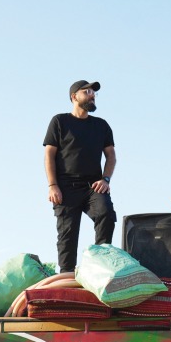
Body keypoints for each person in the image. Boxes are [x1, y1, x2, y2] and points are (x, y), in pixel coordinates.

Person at [43, 80, 116, 273]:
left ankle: (101, 264)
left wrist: (105, 179)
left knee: (106, 213)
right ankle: (66, 275)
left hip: (93, 185)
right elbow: (49, 155)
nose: (92, 95)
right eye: (88, 92)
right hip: (65, 187)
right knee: (67, 234)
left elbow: (111, 156)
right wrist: (52, 185)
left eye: (94, 93)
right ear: (74, 97)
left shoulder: (101, 125)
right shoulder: (59, 121)